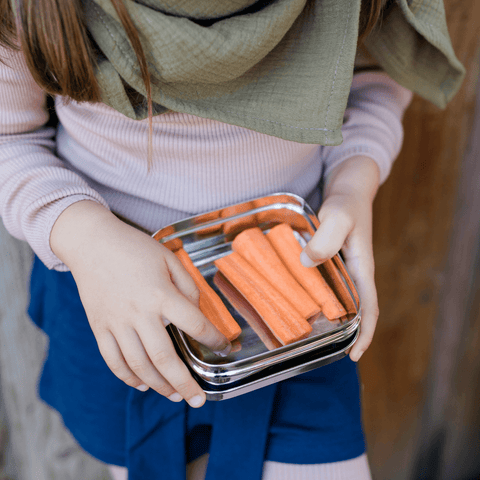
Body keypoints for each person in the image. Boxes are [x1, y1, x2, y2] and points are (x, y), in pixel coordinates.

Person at [0, 0, 464, 479]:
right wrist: (84, 236)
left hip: (294, 290)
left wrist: (354, 178)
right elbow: (7, 137)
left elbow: (375, 71)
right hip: (110, 298)